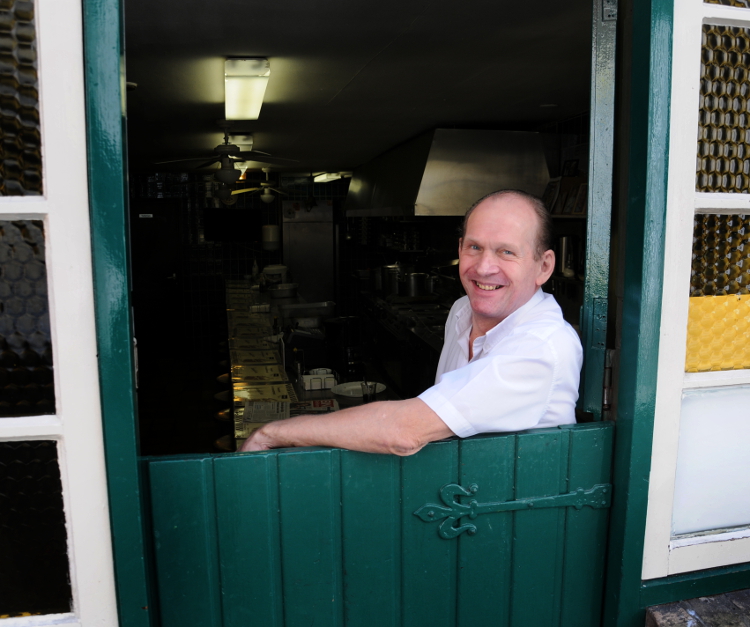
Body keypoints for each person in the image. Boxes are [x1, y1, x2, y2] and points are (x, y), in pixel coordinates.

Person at [240, 189, 582, 455]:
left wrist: (274, 432)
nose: (484, 267)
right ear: (460, 248)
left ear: (544, 266)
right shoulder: (462, 311)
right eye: (475, 247)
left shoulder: (542, 346)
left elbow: (404, 432)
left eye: (507, 252)